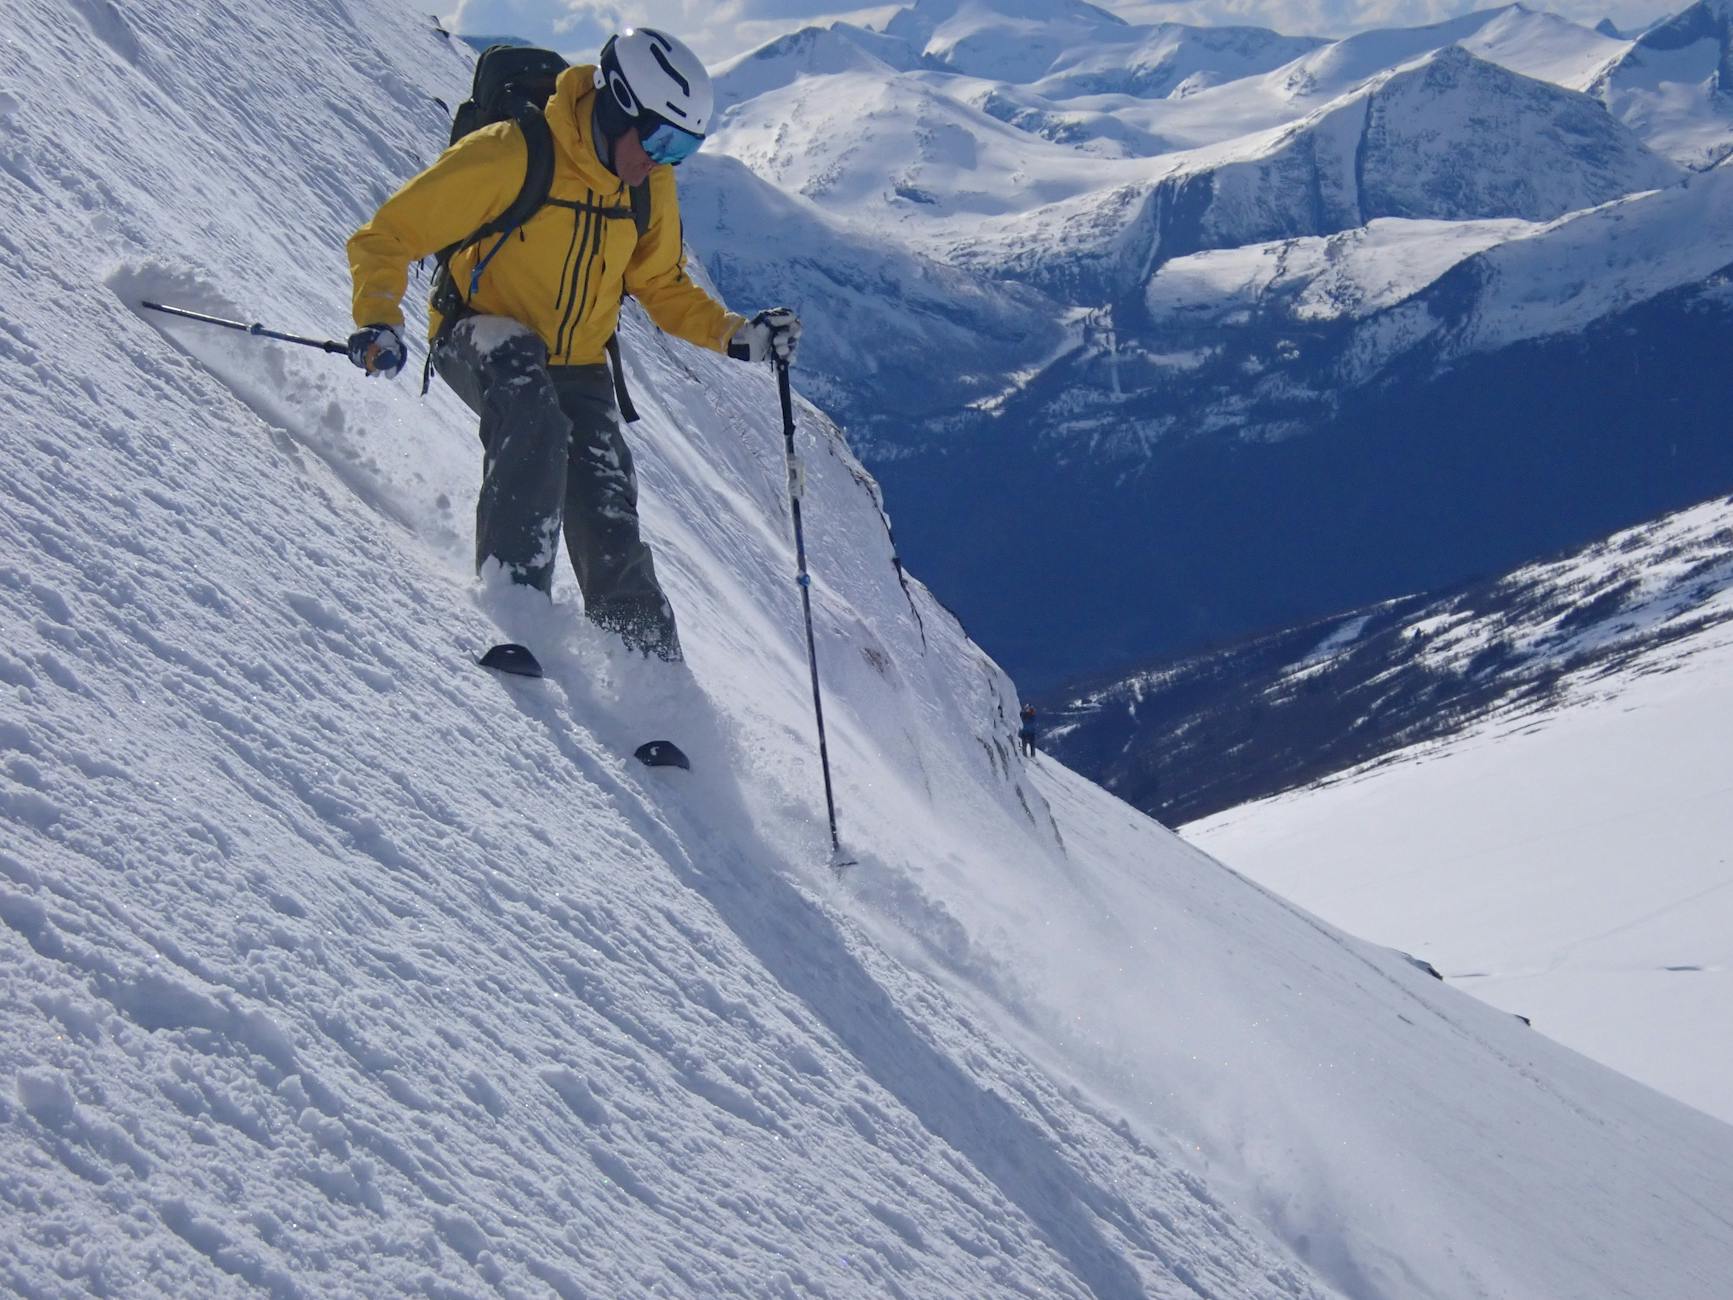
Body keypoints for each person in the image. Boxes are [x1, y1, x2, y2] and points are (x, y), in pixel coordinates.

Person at [344, 28, 800, 661]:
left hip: (579, 364)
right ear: (615, 106)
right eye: (661, 139)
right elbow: (386, 235)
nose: (664, 160)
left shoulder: (647, 185)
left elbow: (661, 284)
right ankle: (515, 613)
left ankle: (654, 685)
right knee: (533, 418)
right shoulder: (511, 154)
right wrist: (378, 317)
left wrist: (735, 335)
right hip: (479, 334)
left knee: (605, 507)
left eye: (685, 147)